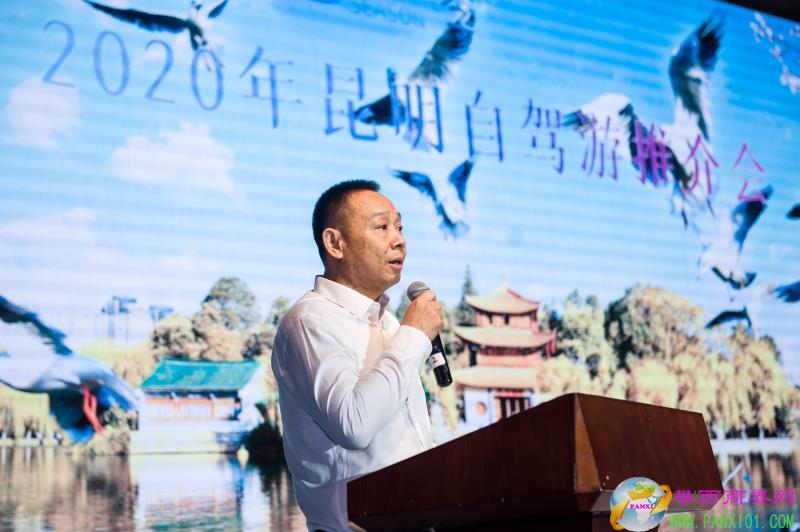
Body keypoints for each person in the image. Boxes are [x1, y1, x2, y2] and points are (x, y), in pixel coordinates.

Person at [271, 179, 443, 531]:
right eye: (382, 227)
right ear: (335, 243)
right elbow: (354, 425)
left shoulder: (390, 324)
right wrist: (414, 335)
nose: (399, 240)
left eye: (399, 227)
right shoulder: (309, 321)